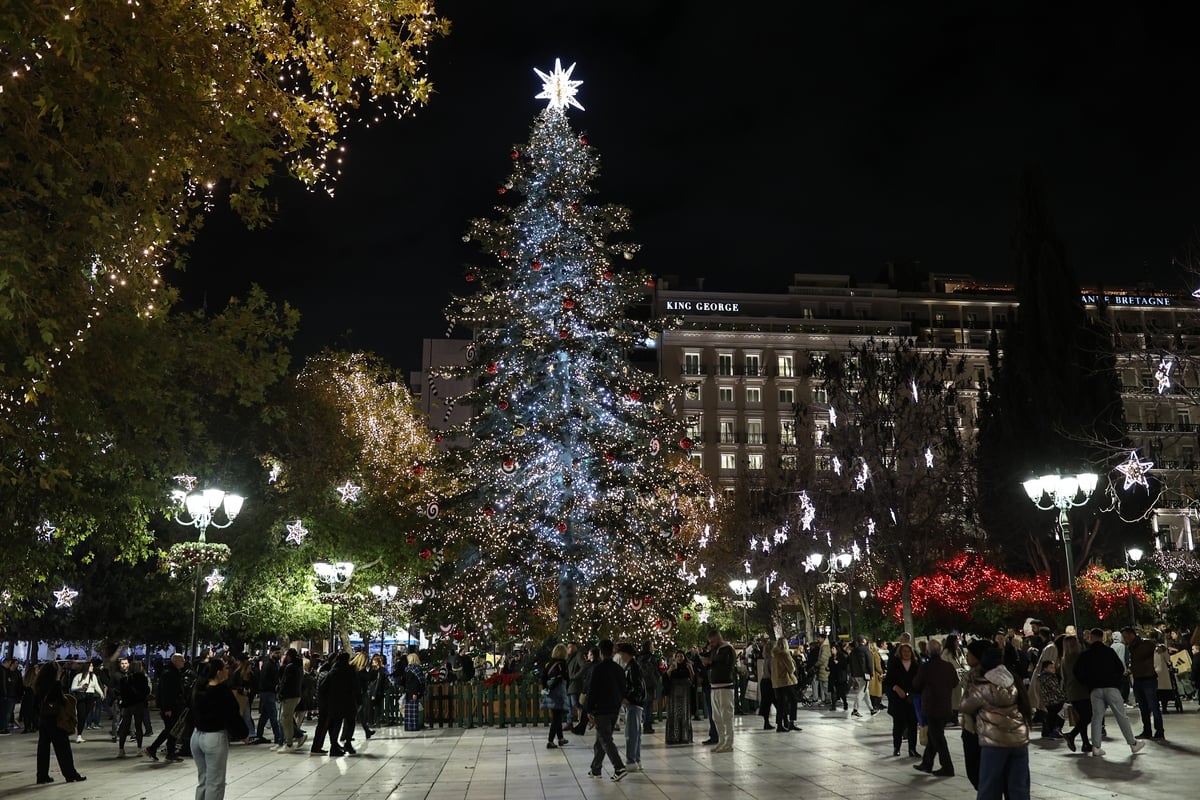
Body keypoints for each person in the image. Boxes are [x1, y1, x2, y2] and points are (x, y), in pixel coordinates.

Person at [961, 644, 1032, 800]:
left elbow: (965, 706)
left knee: (989, 787)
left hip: (994, 743)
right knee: (1019, 787)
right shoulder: (1014, 680)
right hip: (1019, 741)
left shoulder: (982, 686)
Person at [1073, 627, 1145, 758]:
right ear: (1102, 638)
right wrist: (1115, 680)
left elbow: (1077, 672)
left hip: (1095, 689)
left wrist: (1088, 682)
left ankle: (1096, 746)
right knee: (1121, 716)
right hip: (1111, 687)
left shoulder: (1085, 654)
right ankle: (1132, 743)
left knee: (1097, 717)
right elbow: (1119, 668)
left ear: (1091, 638)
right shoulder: (1109, 652)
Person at [191, 657, 249, 800]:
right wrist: (243, 734)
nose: (227, 671)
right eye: (225, 668)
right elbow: (231, 715)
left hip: (196, 736)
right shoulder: (222, 692)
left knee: (203, 779)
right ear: (218, 672)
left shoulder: (198, 688)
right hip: (214, 737)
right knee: (215, 782)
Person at [34, 660, 85, 784]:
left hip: (44, 718)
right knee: (63, 748)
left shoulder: (38, 683)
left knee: (43, 748)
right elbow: (60, 700)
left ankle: (42, 775)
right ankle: (70, 774)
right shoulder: (55, 684)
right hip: (56, 718)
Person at [912, 638, 956, 777]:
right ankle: (927, 763)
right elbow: (955, 682)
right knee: (934, 736)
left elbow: (916, 684)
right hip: (945, 705)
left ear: (928, 652)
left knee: (938, 738)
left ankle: (947, 767)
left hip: (932, 706)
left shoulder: (926, 667)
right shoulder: (948, 666)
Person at [585, 639, 628, 781]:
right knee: (600, 739)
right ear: (612, 651)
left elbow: (593, 691)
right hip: (614, 708)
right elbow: (623, 689)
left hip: (601, 709)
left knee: (605, 739)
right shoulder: (619, 669)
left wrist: (589, 709)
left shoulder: (598, 669)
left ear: (601, 652)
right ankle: (596, 768)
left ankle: (619, 767)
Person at [1121, 626, 1162, 739]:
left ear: (1131, 635)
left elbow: (1158, 647)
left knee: (1152, 706)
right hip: (1140, 679)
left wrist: (1161, 648)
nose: (1125, 639)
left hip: (1147, 679)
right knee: (1144, 707)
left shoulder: (1145, 644)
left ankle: (1158, 731)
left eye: (1125, 637)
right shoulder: (1132, 647)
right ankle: (1148, 730)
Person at [143, 653, 186, 762]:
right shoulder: (169, 674)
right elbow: (166, 693)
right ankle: (153, 748)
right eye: (182, 660)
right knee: (169, 730)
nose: (184, 662)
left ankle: (170, 752)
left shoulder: (173, 673)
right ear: (175, 661)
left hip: (174, 706)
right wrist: (167, 708)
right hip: (171, 707)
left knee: (172, 730)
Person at [885, 641, 920, 757]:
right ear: (900, 652)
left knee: (912, 725)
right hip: (898, 699)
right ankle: (897, 747)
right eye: (904, 651)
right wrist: (896, 688)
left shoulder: (915, 665)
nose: (906, 653)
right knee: (898, 725)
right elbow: (888, 681)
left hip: (911, 699)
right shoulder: (895, 664)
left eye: (908, 651)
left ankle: (912, 749)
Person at [703, 628, 736, 753]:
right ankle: (721, 741)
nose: (710, 644)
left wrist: (712, 660)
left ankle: (728, 743)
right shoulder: (714, 650)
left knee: (726, 715)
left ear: (718, 638)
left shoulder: (728, 649)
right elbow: (712, 662)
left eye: (712, 642)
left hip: (725, 687)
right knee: (717, 717)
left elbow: (726, 664)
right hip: (714, 687)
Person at [1059, 634, 1092, 753]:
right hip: (1081, 690)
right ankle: (1072, 735)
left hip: (1071, 692)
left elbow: (1064, 677)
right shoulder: (1079, 657)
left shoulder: (1064, 659)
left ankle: (1086, 743)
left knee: (1081, 718)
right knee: (1088, 716)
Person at [615, 643, 645, 770]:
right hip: (635, 704)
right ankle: (636, 760)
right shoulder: (632, 666)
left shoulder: (632, 667)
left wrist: (628, 698)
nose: (620, 656)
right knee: (635, 733)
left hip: (633, 704)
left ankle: (631, 760)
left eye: (621, 653)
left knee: (631, 733)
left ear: (626, 654)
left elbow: (637, 687)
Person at [116, 659, 151, 757]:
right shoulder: (142, 678)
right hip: (138, 704)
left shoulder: (124, 679)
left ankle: (121, 749)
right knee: (138, 726)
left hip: (127, 705)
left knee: (125, 727)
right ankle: (139, 749)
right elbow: (146, 691)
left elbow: (121, 693)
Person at [541, 644, 570, 749]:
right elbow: (566, 677)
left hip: (550, 692)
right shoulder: (562, 664)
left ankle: (561, 738)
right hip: (559, 693)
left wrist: (546, 688)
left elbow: (543, 677)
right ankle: (550, 740)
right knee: (557, 717)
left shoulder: (549, 664)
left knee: (556, 715)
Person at [277, 648, 306, 751]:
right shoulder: (298, 666)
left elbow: (285, 682)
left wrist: (281, 693)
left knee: (285, 719)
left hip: (289, 696)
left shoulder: (290, 667)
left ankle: (289, 743)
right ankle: (296, 736)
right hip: (296, 695)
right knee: (286, 718)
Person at [663, 650, 694, 745]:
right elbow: (665, 677)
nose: (680, 658)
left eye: (681, 656)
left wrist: (690, 669)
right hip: (674, 693)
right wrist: (670, 670)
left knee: (684, 713)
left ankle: (685, 736)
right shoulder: (672, 667)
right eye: (678, 656)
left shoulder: (687, 666)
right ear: (675, 658)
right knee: (674, 713)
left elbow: (693, 679)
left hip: (685, 693)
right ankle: (674, 736)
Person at [69, 660, 104, 744]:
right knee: (81, 715)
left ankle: (80, 731)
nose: (92, 667)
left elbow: (96, 686)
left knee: (84, 715)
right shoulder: (79, 676)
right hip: (82, 697)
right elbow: (73, 688)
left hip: (90, 697)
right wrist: (81, 687)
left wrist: (101, 693)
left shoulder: (93, 676)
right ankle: (79, 735)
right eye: (91, 666)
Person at [254, 647, 283, 746]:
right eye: (276, 653)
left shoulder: (273, 664)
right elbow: (264, 680)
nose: (278, 655)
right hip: (268, 692)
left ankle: (259, 735)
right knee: (273, 715)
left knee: (265, 715)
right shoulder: (268, 665)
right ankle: (278, 737)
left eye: (279, 653)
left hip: (268, 692)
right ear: (271, 653)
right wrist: (274, 687)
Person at [770, 637, 799, 732]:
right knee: (793, 701)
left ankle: (779, 725)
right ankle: (791, 722)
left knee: (781, 704)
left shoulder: (774, 655)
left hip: (776, 682)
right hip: (786, 681)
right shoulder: (785, 654)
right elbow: (791, 669)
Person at [637, 643, 660, 734]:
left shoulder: (639, 658)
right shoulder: (652, 658)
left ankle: (645, 723)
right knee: (649, 704)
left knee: (645, 704)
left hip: (642, 684)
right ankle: (648, 725)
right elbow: (656, 671)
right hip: (651, 684)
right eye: (652, 646)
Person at [848, 634, 872, 718]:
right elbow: (869, 663)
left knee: (866, 691)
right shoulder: (865, 650)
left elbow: (850, 663)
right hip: (865, 674)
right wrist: (871, 673)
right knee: (862, 691)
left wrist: (852, 674)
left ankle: (871, 709)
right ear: (864, 641)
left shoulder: (853, 651)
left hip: (856, 675)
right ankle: (855, 709)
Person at [401, 653, 426, 732]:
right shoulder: (409, 669)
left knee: (412, 710)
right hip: (409, 692)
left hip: (412, 692)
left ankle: (412, 726)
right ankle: (409, 726)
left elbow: (416, 682)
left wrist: (415, 692)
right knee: (409, 710)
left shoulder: (414, 669)